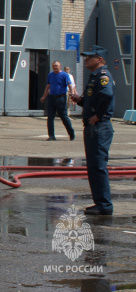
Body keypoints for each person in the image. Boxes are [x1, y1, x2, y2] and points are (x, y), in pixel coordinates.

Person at [70, 46, 115, 216]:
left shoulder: (103, 77)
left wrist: (99, 115)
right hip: (93, 127)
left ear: (100, 60)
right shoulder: (94, 77)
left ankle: (104, 205)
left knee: (97, 167)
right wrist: (80, 100)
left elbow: (107, 96)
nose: (86, 59)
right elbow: (93, 100)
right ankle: (100, 203)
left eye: (91, 57)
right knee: (93, 167)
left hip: (99, 127)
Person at [40, 60, 76, 141]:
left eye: (56, 65)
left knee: (64, 116)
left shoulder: (64, 75)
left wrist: (72, 94)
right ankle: (51, 136)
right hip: (51, 98)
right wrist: (44, 96)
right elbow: (48, 86)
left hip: (61, 98)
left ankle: (71, 133)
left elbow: (70, 85)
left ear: (60, 66)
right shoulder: (50, 75)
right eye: (53, 66)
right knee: (50, 117)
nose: (55, 67)